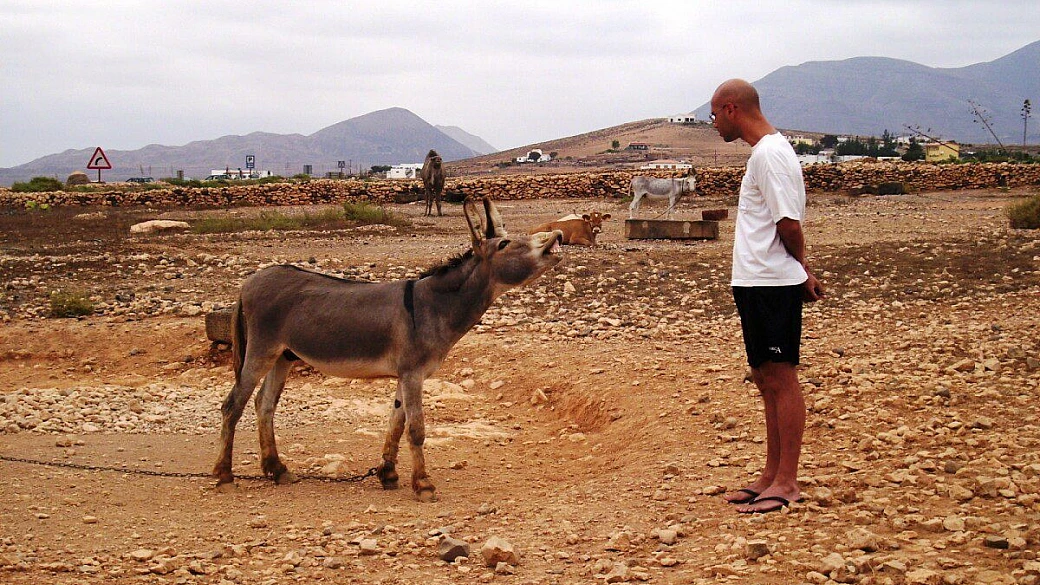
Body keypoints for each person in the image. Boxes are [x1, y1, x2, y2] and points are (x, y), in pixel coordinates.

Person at [710, 79, 825, 514]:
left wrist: (802, 269)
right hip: (756, 280)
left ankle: (788, 482)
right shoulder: (763, 154)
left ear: (731, 108)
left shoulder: (772, 155)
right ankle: (769, 475)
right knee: (764, 378)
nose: (714, 123)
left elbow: (789, 224)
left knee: (781, 377)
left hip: (773, 282)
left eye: (714, 114)